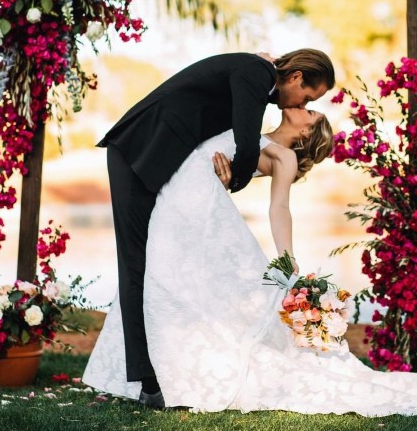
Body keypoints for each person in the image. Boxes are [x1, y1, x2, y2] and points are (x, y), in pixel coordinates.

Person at [84, 111, 417, 416]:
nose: (307, 108)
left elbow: (281, 208)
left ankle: (168, 377)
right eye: (311, 107)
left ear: (303, 136)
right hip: (181, 203)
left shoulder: (284, 155)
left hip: (201, 218)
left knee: (181, 287)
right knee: (166, 286)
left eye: (313, 115)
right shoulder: (247, 124)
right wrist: (229, 174)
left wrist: (287, 264)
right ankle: (152, 372)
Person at [97, 50, 335, 407]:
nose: (304, 104)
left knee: (157, 274)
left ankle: (158, 377)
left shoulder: (259, 88)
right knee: (136, 267)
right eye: (309, 99)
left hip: (171, 180)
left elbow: (276, 199)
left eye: (310, 107)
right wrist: (236, 174)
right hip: (140, 149)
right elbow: (244, 141)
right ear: (298, 77)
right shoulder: (256, 72)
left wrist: (286, 253)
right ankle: (148, 382)